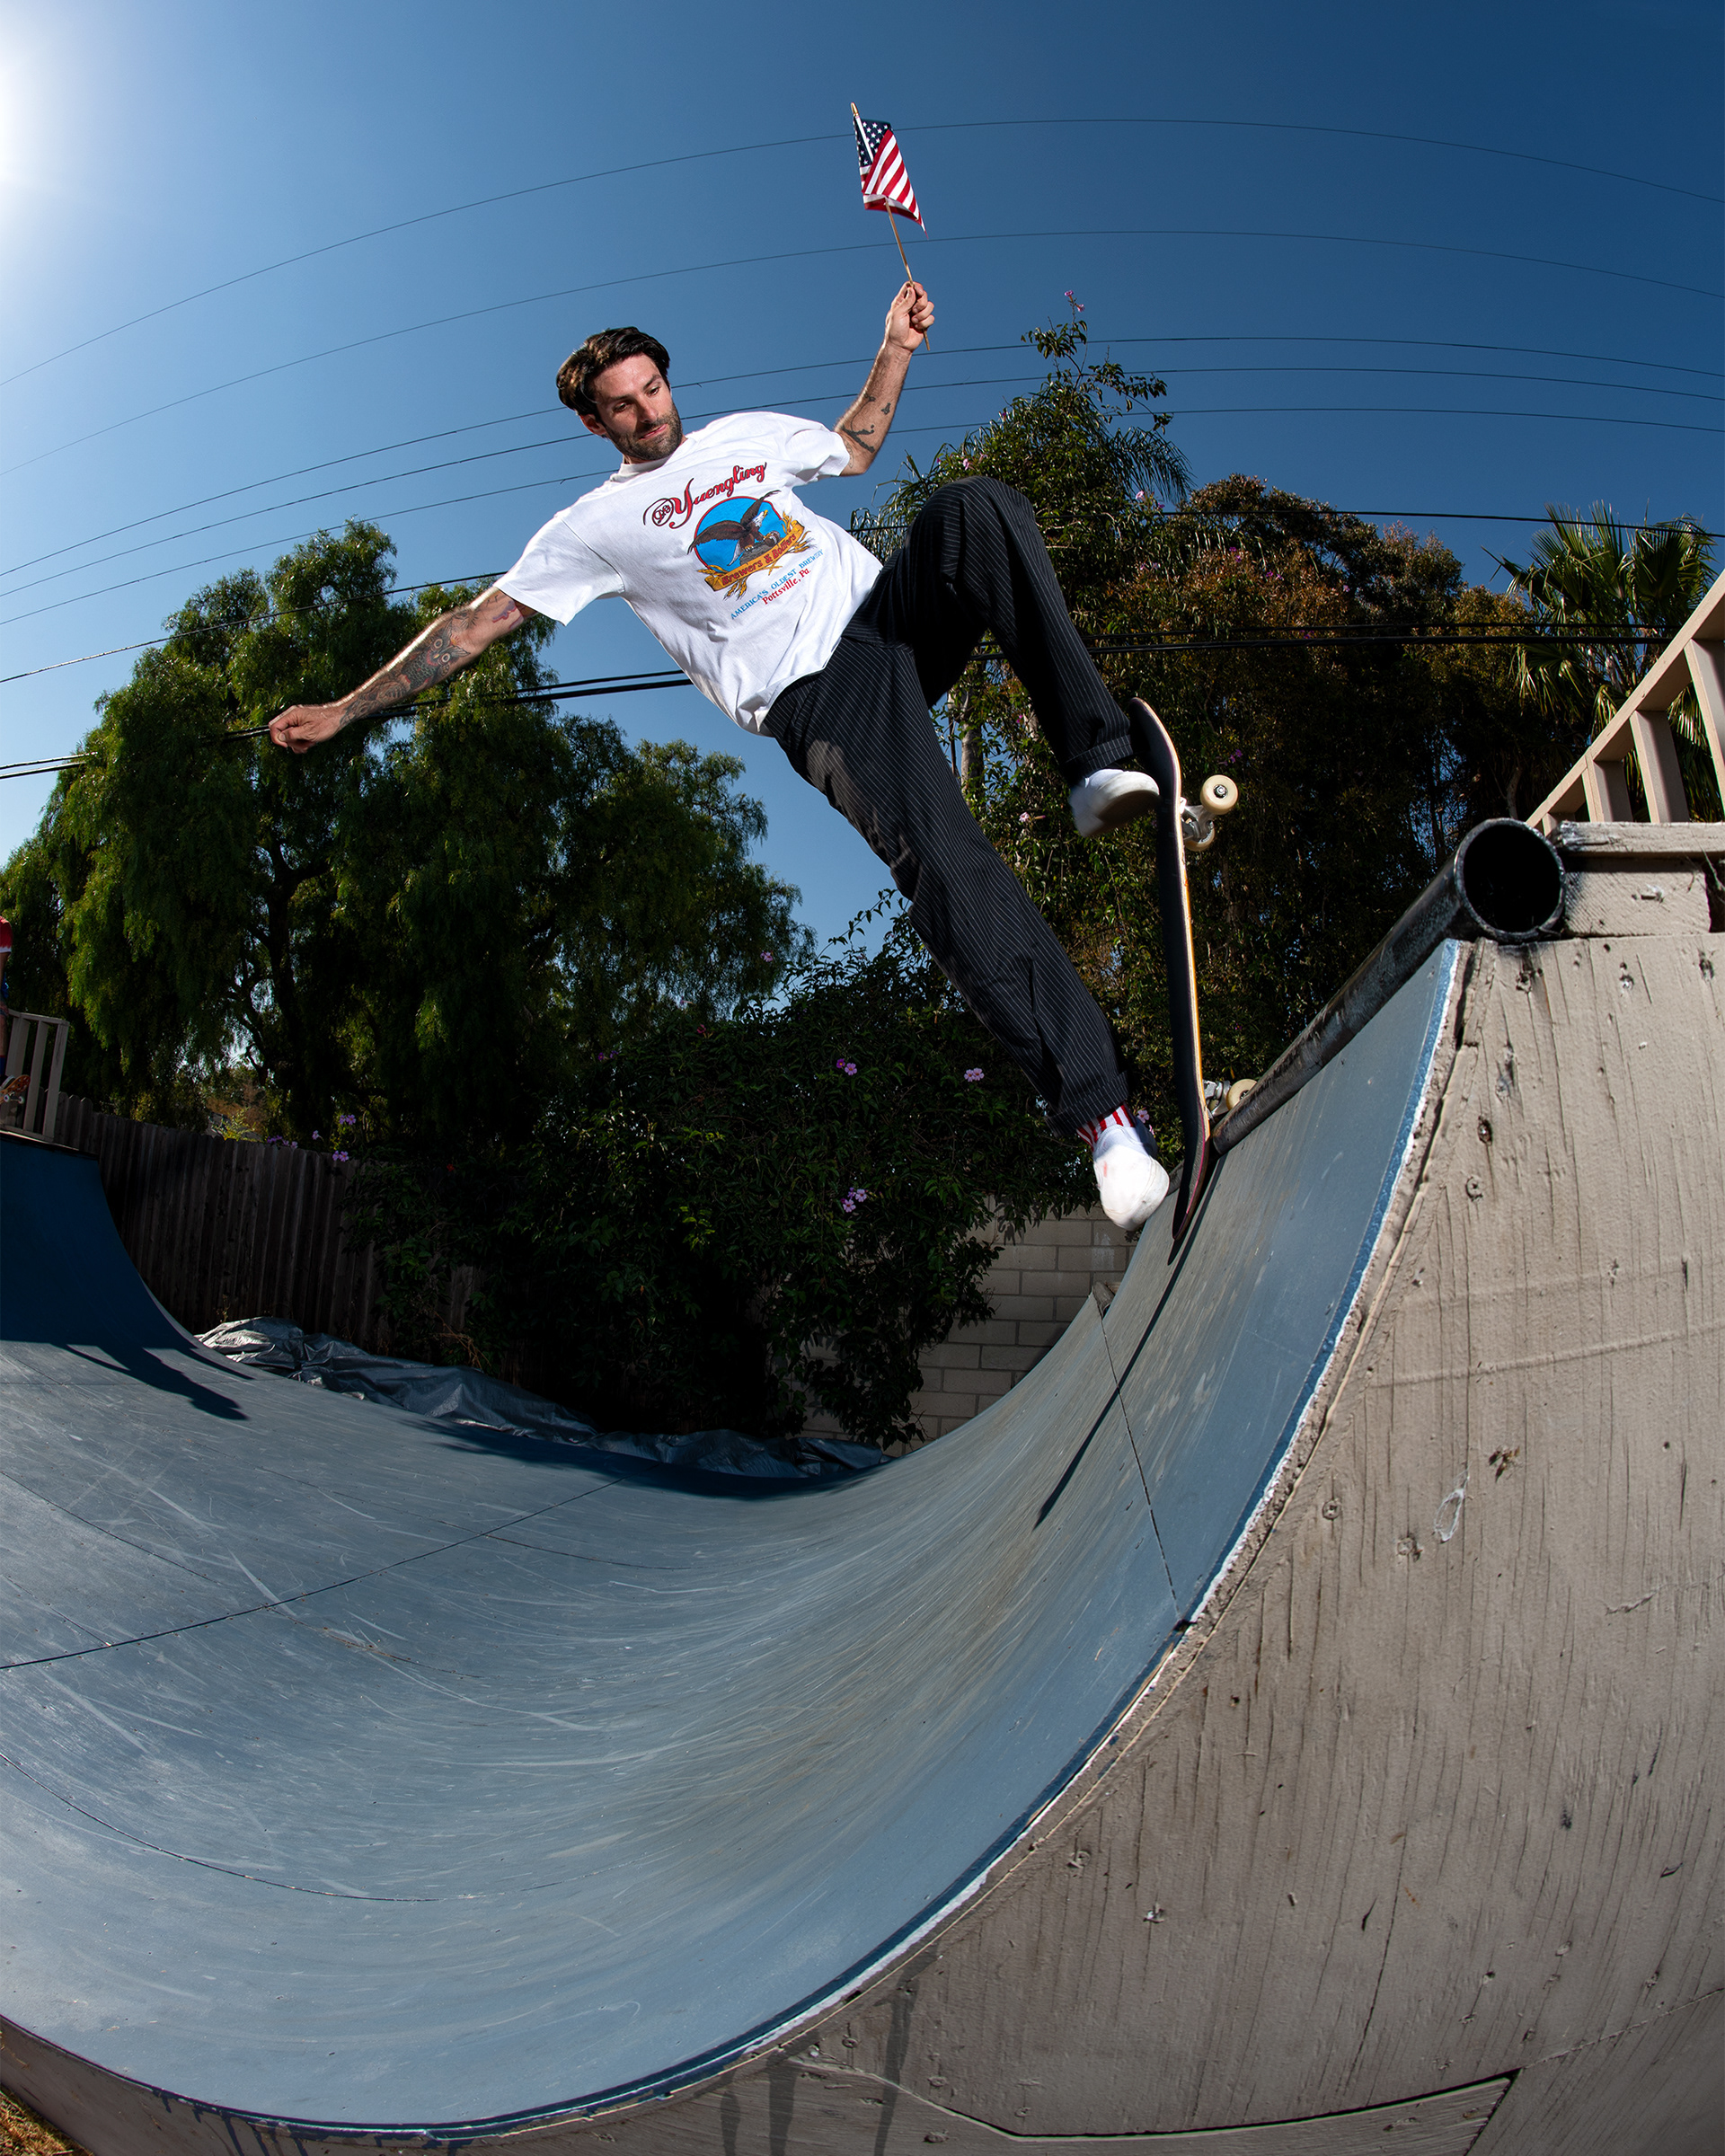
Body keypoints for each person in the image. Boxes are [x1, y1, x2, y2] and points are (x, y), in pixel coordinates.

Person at [270, 282, 1168, 1229]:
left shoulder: (744, 436)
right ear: (595, 423)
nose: (649, 411)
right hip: (820, 696)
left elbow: (856, 445)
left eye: (653, 388)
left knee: (973, 509)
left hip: (889, 624)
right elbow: (475, 624)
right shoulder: (591, 528)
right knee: (950, 867)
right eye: (624, 405)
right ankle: (1104, 1121)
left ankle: (1095, 763)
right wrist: (346, 710)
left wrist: (895, 345)